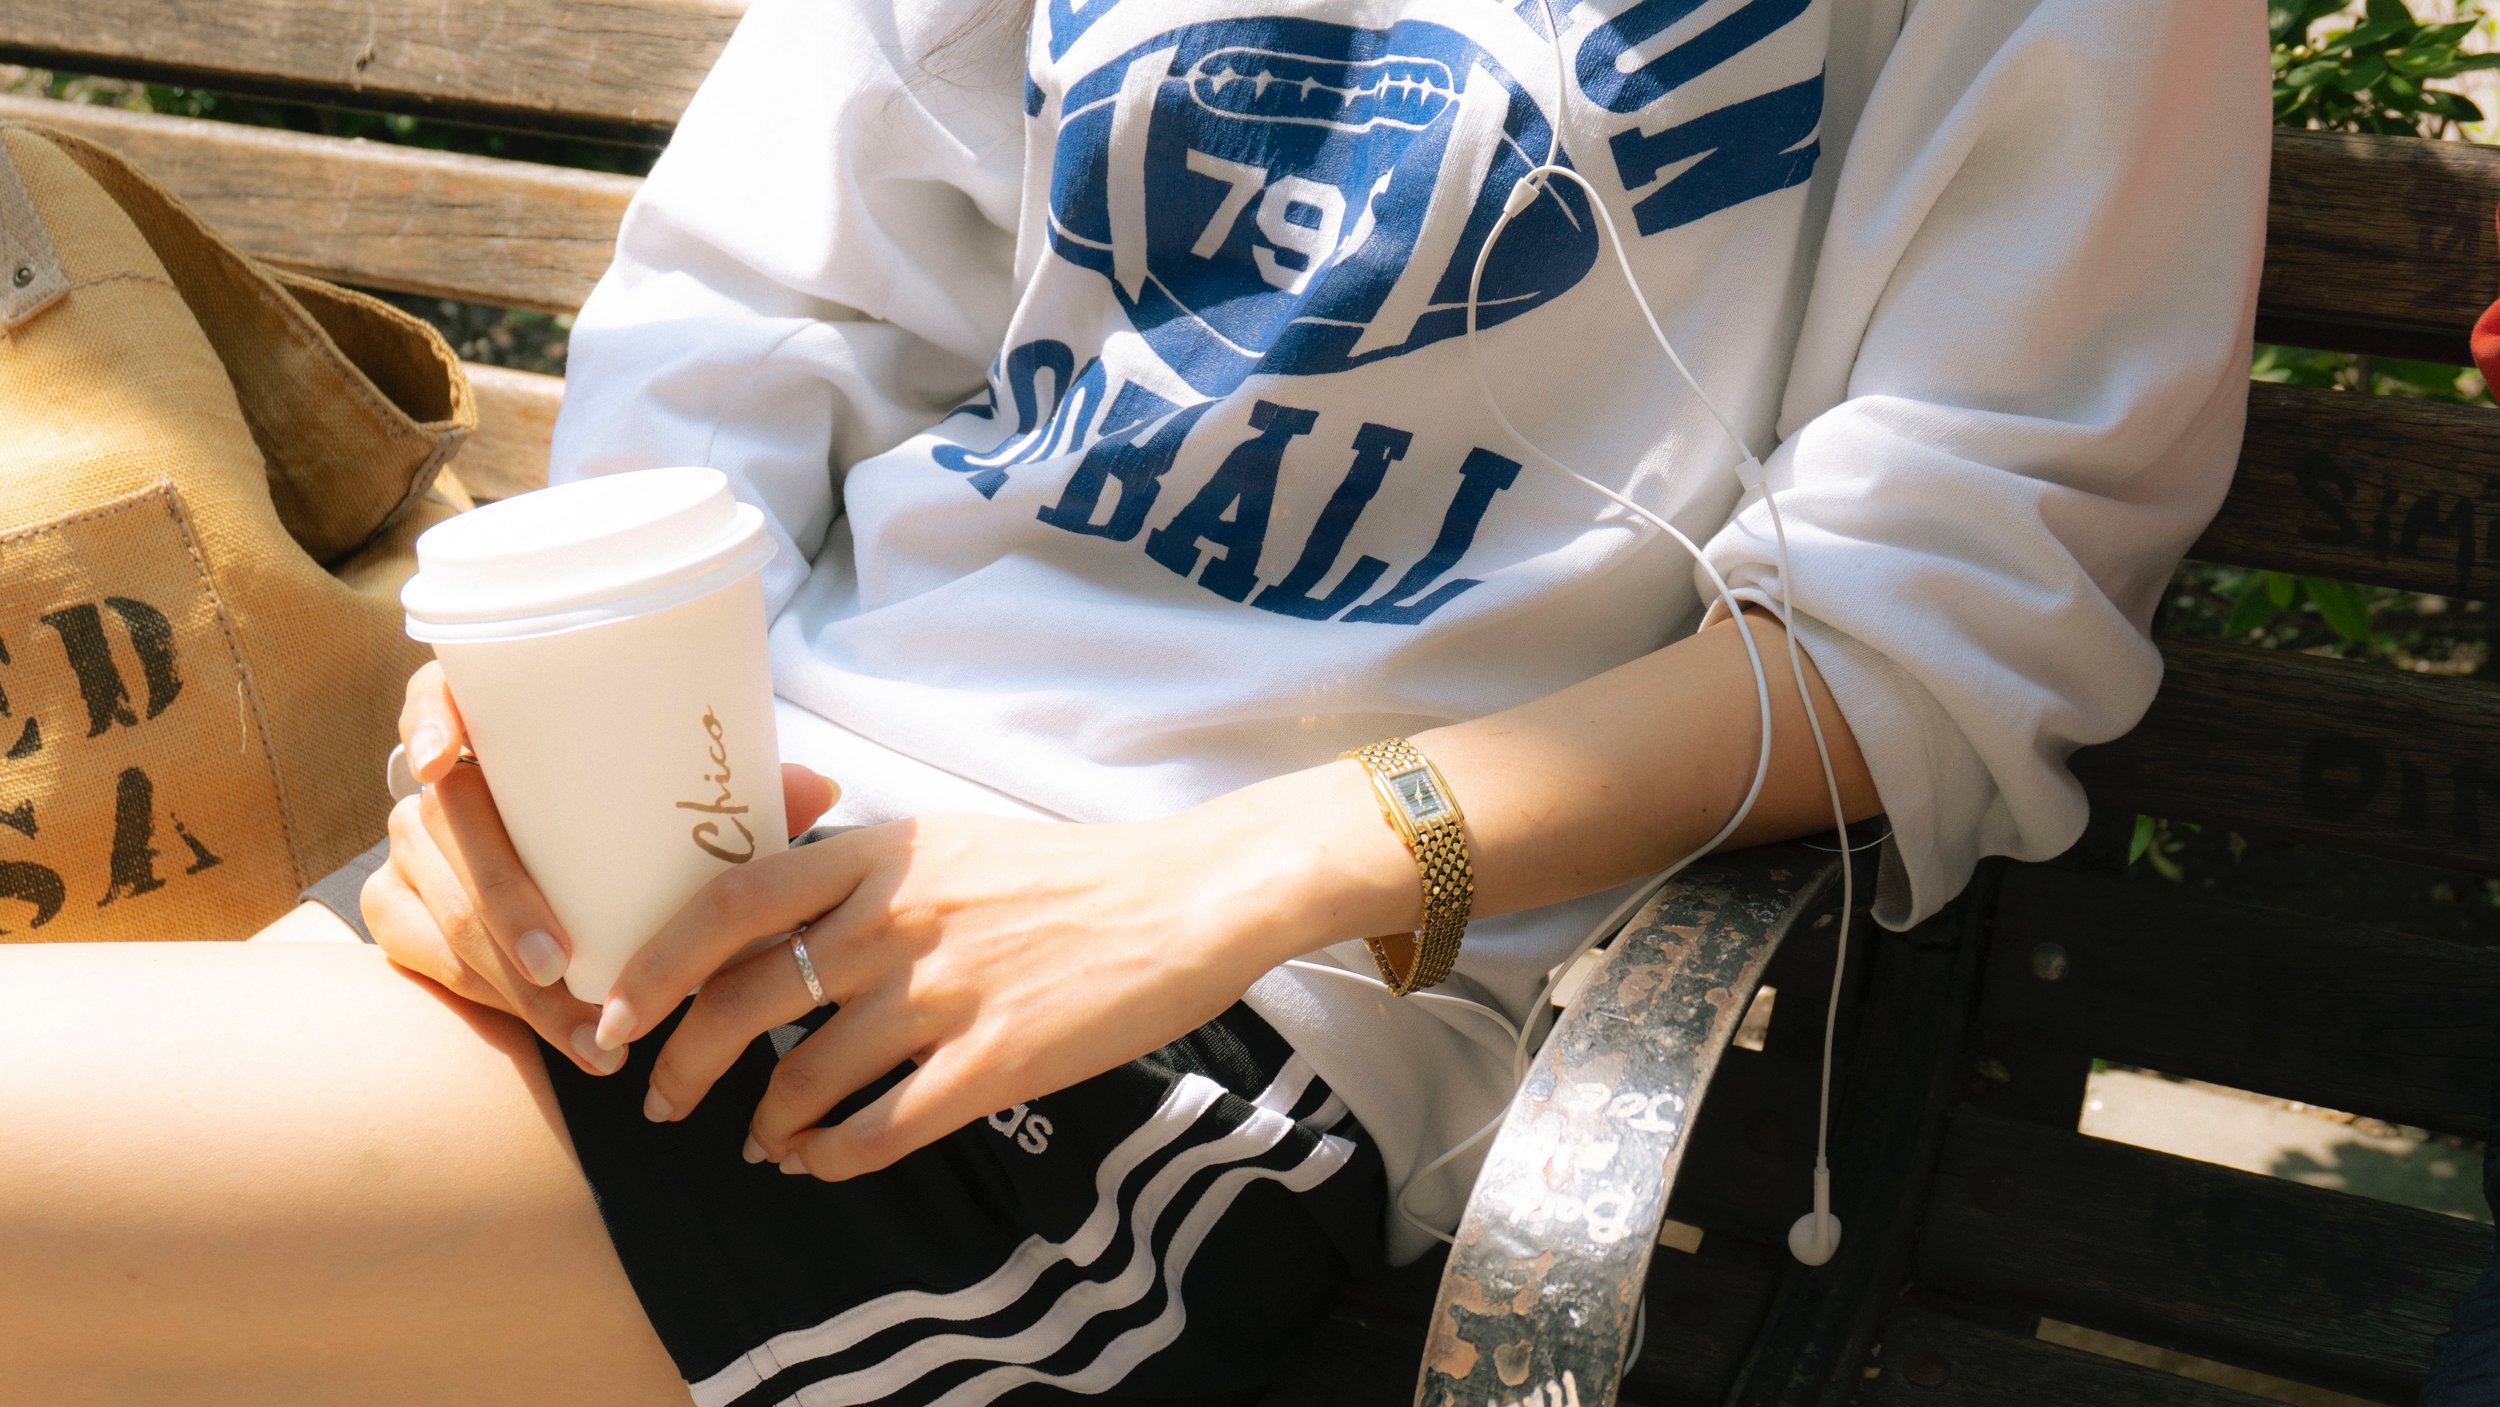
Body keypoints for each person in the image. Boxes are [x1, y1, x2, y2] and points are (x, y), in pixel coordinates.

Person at [0, 1, 2267, 1402]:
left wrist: (1183, 892)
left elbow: (1958, 613)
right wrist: (509, 744)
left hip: (1156, 1034)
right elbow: (752, 329)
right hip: (700, 867)